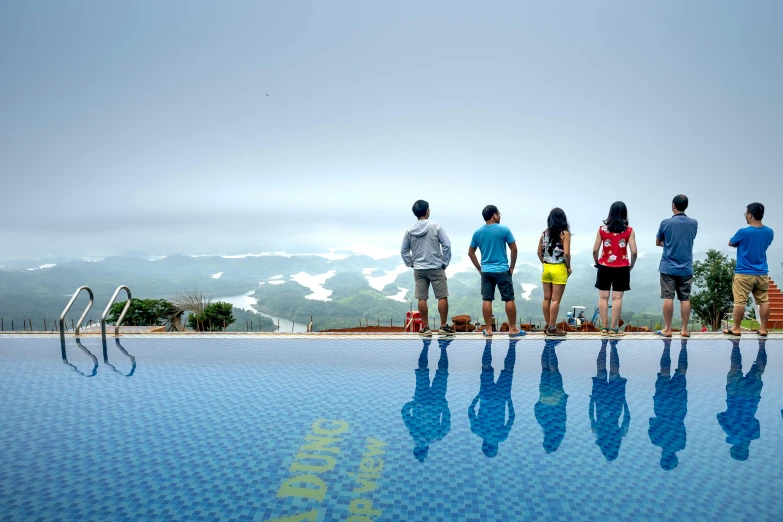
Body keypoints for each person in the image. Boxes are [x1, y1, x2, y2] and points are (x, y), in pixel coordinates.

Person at [468, 205, 524, 337]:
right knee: (509, 299)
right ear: (494, 215)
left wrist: (480, 268)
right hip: (502, 270)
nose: (500, 216)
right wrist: (512, 266)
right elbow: (514, 249)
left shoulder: (478, 232)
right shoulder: (504, 229)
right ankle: (512, 329)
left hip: (486, 271)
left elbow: (471, 253)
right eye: (499, 213)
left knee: (487, 299)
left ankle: (488, 330)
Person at [401, 200, 455, 336]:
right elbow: (447, 245)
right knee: (442, 297)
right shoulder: (436, 227)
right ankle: (443, 327)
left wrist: (411, 263)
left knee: (422, 298)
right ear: (427, 211)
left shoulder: (409, 230)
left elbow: (404, 250)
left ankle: (426, 328)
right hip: (436, 267)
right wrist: (445, 263)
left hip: (419, 269)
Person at [724, 203, 775, 337]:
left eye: (746, 214)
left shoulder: (743, 232)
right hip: (762, 273)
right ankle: (763, 329)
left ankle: (736, 328)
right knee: (763, 301)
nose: (746, 216)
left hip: (744, 272)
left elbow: (731, 242)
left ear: (750, 215)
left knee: (739, 301)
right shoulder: (769, 232)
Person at [401, 339, 452, 462]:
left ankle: (442, 348)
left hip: (435, 401)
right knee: (423, 372)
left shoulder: (436, 436)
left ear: (427, 449)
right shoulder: (415, 433)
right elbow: (405, 413)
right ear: (417, 448)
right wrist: (411, 404)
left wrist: (444, 407)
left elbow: (446, 423)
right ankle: (426, 345)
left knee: (441, 373)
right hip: (422, 399)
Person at [655, 194, 698, 338]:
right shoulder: (693, 223)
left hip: (668, 267)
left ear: (673, 205)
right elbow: (690, 239)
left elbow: (658, 242)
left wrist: (666, 244)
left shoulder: (665, 223)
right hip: (686, 267)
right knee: (685, 298)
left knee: (668, 297)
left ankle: (667, 329)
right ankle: (684, 330)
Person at [593, 201, 637, 336]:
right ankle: (614, 329)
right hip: (622, 267)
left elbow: (595, 250)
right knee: (617, 298)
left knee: (603, 297)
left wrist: (597, 262)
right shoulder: (629, 230)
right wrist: (631, 266)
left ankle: (604, 328)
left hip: (604, 266)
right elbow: (634, 252)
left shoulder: (602, 229)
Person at [717, 339, 766, 461]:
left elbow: (756, 421)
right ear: (734, 447)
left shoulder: (755, 434)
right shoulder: (729, 431)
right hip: (734, 395)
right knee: (735, 368)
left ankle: (762, 345)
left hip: (752, 397)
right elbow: (719, 416)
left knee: (759, 370)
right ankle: (735, 344)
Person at [468, 340, 517, 457]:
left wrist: (508, 399)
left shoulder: (502, 436)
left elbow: (511, 417)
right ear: (483, 444)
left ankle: (512, 345)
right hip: (486, 396)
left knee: (508, 369)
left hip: (501, 397)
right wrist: (479, 396)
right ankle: (488, 343)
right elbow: (470, 410)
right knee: (486, 367)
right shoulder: (477, 430)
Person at [648, 339, 688, 470]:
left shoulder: (681, 444)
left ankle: (683, 346)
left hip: (678, 408)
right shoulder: (656, 440)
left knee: (681, 373)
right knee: (664, 373)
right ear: (663, 456)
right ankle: (667, 346)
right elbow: (652, 421)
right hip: (662, 406)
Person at [589, 339, 630, 461]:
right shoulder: (598, 433)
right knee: (603, 371)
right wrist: (592, 401)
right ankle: (605, 345)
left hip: (615, 401)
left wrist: (625, 402)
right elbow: (591, 415)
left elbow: (627, 417)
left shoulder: (620, 434)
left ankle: (611, 345)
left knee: (612, 372)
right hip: (603, 400)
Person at [537, 208, 572, 337]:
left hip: (546, 268)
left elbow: (538, 252)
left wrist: (545, 263)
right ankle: (552, 327)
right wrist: (568, 267)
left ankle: (548, 324)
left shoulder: (544, 233)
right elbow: (566, 254)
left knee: (546, 298)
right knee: (555, 300)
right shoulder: (565, 234)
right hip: (559, 268)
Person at [535, 340, 568, 453]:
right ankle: (547, 344)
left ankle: (551, 346)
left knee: (554, 371)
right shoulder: (544, 425)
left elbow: (562, 412)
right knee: (545, 369)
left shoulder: (561, 429)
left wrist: (564, 399)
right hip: (544, 398)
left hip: (557, 397)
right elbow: (537, 411)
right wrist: (539, 402)